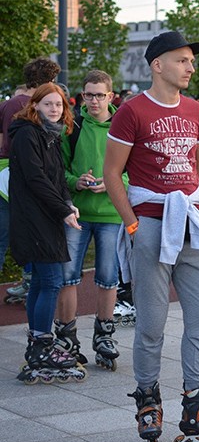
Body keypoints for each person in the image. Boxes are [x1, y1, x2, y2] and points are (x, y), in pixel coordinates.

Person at [104, 31, 199, 442]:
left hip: (192, 220)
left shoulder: (193, 110)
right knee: (151, 323)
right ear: (158, 65)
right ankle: (148, 399)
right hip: (151, 221)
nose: (190, 67)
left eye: (191, 60)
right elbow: (113, 173)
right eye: (182, 60)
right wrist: (132, 226)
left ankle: (197, 404)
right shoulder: (131, 112)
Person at [10, 82, 86, 384]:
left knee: (42, 281)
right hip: (34, 218)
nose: (54, 109)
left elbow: (55, 179)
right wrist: (63, 210)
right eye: (48, 104)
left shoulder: (50, 135)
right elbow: (36, 179)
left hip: (46, 216)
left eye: (59, 105)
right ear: (35, 106)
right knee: (52, 281)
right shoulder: (29, 134)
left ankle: (38, 340)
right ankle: (42, 343)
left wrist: (68, 202)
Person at [53, 70, 127, 373]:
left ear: (111, 97)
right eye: (89, 94)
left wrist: (112, 181)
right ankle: (66, 336)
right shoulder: (73, 125)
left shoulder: (122, 124)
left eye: (100, 95)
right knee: (68, 276)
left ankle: (104, 336)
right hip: (78, 213)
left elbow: (131, 170)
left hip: (111, 213)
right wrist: (76, 182)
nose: (94, 100)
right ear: (82, 96)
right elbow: (60, 170)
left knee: (109, 277)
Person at [1, 58, 60, 305]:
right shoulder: (37, 106)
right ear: (46, 81)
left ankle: (28, 279)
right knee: (29, 229)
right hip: (29, 178)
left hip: (5, 172)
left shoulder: (9, 105)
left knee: (4, 233)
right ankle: (29, 280)